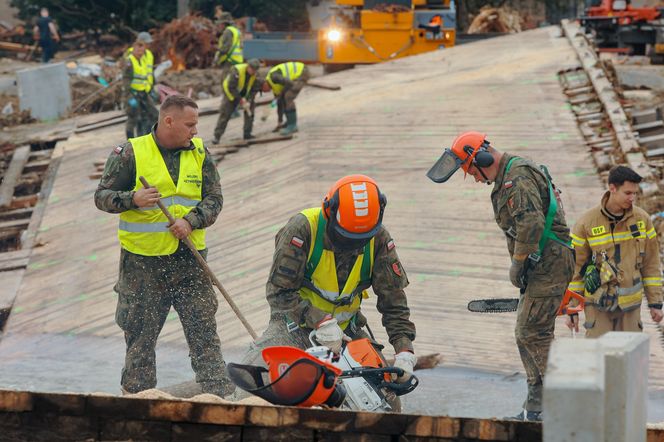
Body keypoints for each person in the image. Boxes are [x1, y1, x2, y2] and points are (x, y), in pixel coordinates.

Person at [427, 132, 574, 422]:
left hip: (549, 263)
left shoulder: (516, 177)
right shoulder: (511, 173)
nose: (476, 179)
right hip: (544, 262)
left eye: (472, 171)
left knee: (531, 332)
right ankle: (537, 405)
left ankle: (563, 401)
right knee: (528, 333)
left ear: (482, 159)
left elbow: (530, 224)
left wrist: (519, 264)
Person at [94, 95, 233, 398]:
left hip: (190, 261)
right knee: (141, 339)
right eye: (190, 125)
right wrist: (133, 199)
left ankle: (220, 397)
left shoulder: (198, 152)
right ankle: (138, 401)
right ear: (169, 121)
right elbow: (102, 196)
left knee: (204, 331)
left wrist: (192, 221)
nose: (195, 131)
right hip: (143, 266)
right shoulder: (131, 152)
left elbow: (215, 199)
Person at [240, 174, 417, 410]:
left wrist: (404, 352)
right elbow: (279, 292)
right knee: (252, 384)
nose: (352, 245)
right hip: (294, 327)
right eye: (345, 237)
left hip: (348, 332)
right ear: (329, 213)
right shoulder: (302, 229)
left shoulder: (379, 239)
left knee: (388, 405)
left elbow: (393, 303)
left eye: (360, 239)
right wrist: (320, 321)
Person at [565, 166, 663, 337]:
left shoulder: (642, 220)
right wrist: (572, 308)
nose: (632, 198)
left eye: (635, 193)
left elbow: (651, 264)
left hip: (630, 309)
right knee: (599, 359)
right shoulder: (586, 223)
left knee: (629, 359)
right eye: (627, 193)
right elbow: (576, 270)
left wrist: (655, 302)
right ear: (612, 188)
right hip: (598, 306)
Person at [211, 58, 262, 144]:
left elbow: (254, 89)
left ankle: (247, 133)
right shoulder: (237, 71)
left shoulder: (255, 75)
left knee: (250, 112)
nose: (253, 72)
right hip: (231, 93)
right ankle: (217, 136)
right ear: (248, 66)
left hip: (245, 94)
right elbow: (231, 87)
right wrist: (240, 99)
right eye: (252, 69)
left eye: (255, 70)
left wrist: (249, 100)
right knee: (225, 114)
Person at [122, 32, 159, 139]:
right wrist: (129, 96)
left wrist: (151, 88)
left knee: (152, 115)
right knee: (134, 117)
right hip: (133, 93)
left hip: (144, 91)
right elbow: (126, 79)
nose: (141, 50)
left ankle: (149, 138)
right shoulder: (130, 59)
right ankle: (131, 142)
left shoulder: (146, 56)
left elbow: (148, 73)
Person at [262, 61, 310, 135]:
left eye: (262, 89)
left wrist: (282, 92)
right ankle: (289, 122)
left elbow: (290, 83)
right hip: (295, 76)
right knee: (282, 99)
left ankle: (293, 125)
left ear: (264, 83)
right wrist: (279, 122)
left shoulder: (274, 77)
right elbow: (279, 104)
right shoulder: (274, 88)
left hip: (302, 72)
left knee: (288, 96)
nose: (264, 91)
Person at [214, 13, 243, 80]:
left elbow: (226, 48)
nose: (219, 26)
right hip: (238, 60)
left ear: (224, 24)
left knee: (225, 82)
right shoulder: (236, 30)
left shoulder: (228, 32)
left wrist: (218, 52)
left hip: (230, 60)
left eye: (220, 24)